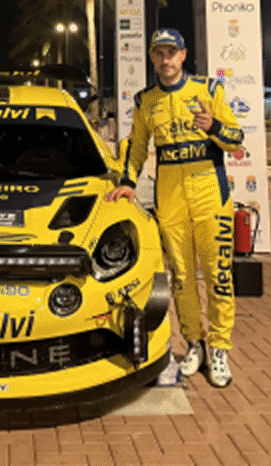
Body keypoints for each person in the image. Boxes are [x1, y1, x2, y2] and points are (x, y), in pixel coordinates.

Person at [105, 28, 243, 388]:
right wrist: (127, 183)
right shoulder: (144, 100)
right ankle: (194, 342)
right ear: (152, 58)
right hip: (169, 196)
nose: (165, 60)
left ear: (183, 55)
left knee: (218, 274)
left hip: (212, 192)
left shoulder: (208, 90)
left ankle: (220, 348)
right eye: (159, 54)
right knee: (181, 277)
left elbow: (236, 139)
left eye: (172, 53)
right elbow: (136, 148)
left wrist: (213, 126)